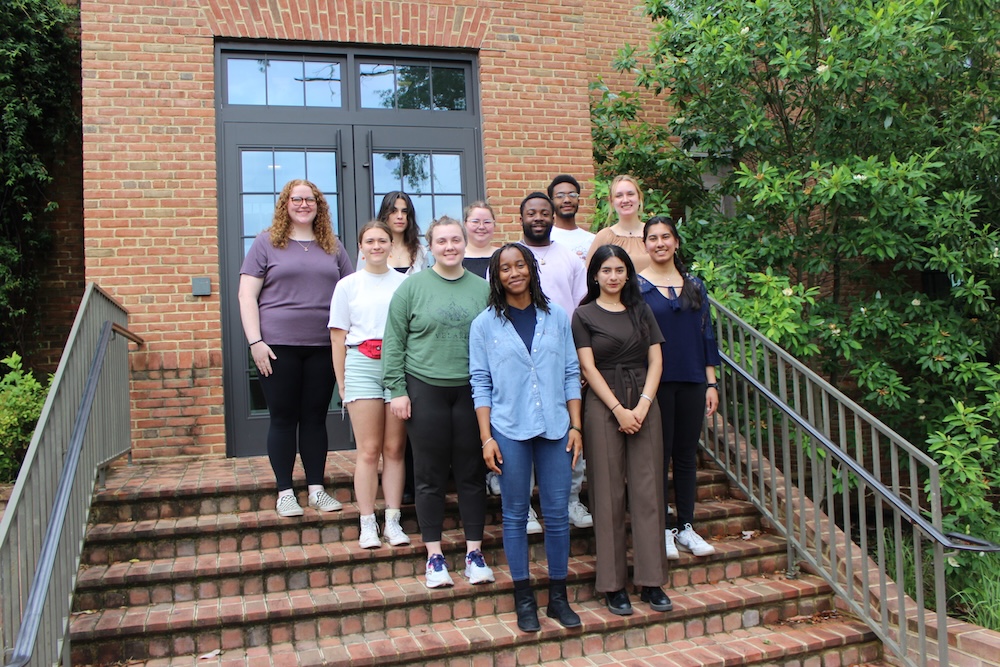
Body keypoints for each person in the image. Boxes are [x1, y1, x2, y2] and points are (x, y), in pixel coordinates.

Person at [470, 244, 583, 632]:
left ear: (531, 269)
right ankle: (524, 600)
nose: (514, 272)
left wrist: (576, 425)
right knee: (515, 515)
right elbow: (480, 383)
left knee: (556, 515)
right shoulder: (484, 324)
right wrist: (486, 437)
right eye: (505, 268)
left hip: (555, 428)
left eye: (520, 265)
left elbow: (571, 373)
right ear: (496, 276)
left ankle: (557, 597)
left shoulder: (557, 317)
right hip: (508, 428)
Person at [382, 216, 494, 589]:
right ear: (430, 246)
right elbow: (394, 341)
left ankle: (475, 554)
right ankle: (434, 557)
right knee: (428, 477)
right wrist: (396, 390)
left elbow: (495, 342)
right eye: (442, 241)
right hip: (424, 389)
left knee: (471, 475)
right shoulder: (411, 288)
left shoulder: (482, 289)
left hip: (470, 392)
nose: (449, 247)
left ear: (464, 244)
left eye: (455, 240)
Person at [238, 179, 353, 518]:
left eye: (310, 199)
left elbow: (351, 291)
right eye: (296, 199)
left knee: (316, 419)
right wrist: (255, 342)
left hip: (322, 346)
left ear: (319, 205)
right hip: (276, 348)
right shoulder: (266, 243)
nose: (303, 204)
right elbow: (247, 295)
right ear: (285, 204)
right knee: (284, 419)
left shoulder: (332, 246)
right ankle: (285, 492)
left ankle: (317, 490)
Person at [571, 244, 672, 616]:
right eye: (606, 270)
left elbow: (656, 359)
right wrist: (618, 409)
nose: (613, 276)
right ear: (594, 275)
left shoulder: (642, 310)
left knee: (648, 491)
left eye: (619, 270)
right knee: (608, 493)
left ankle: (651, 581)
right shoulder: (582, 315)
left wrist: (643, 405)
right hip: (603, 405)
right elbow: (588, 367)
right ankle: (613, 585)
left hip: (645, 401)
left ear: (627, 273)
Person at [639, 216, 721, 559]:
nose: (660, 243)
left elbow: (706, 334)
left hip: (692, 380)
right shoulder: (636, 287)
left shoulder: (694, 286)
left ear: (676, 242)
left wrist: (711, 382)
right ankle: (663, 529)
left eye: (666, 237)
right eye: (653, 238)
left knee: (686, 456)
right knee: (658, 457)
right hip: (655, 384)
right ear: (645, 245)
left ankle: (686, 526)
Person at [329, 220, 410, 550]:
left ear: (392, 246)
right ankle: (367, 523)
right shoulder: (347, 286)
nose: (376, 246)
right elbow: (337, 338)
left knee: (394, 449)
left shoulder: (406, 284)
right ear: (360, 248)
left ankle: (392, 520)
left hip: (397, 365)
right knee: (368, 450)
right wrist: (342, 384)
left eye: (382, 241)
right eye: (369, 241)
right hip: (361, 363)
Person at [518, 192, 592, 532]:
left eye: (543, 213)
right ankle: (526, 506)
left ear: (552, 217)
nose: (538, 218)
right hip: (521, 362)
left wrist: (580, 361)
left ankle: (572, 500)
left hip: (562, 359)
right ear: (521, 218)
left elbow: (581, 312)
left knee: (567, 433)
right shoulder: (511, 257)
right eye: (531, 213)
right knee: (522, 433)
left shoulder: (571, 259)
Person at [585, 175, 650, 272]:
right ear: (611, 201)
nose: (625, 200)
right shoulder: (604, 237)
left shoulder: (653, 234)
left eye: (630, 194)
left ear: (639, 197)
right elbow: (589, 277)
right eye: (619, 195)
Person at [376, 191, 428, 274]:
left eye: (404, 211)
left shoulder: (420, 252)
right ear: (385, 214)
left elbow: (424, 285)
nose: (400, 216)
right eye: (393, 211)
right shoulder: (372, 248)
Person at [547, 174, 595, 263]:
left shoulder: (592, 241)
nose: (567, 200)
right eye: (560, 196)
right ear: (551, 203)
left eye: (572, 195)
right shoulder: (545, 239)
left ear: (578, 201)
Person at [462, 200, 498, 278]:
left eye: (487, 222)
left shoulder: (503, 256)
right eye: (475, 222)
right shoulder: (456, 258)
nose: (481, 227)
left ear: (494, 224)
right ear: (465, 224)